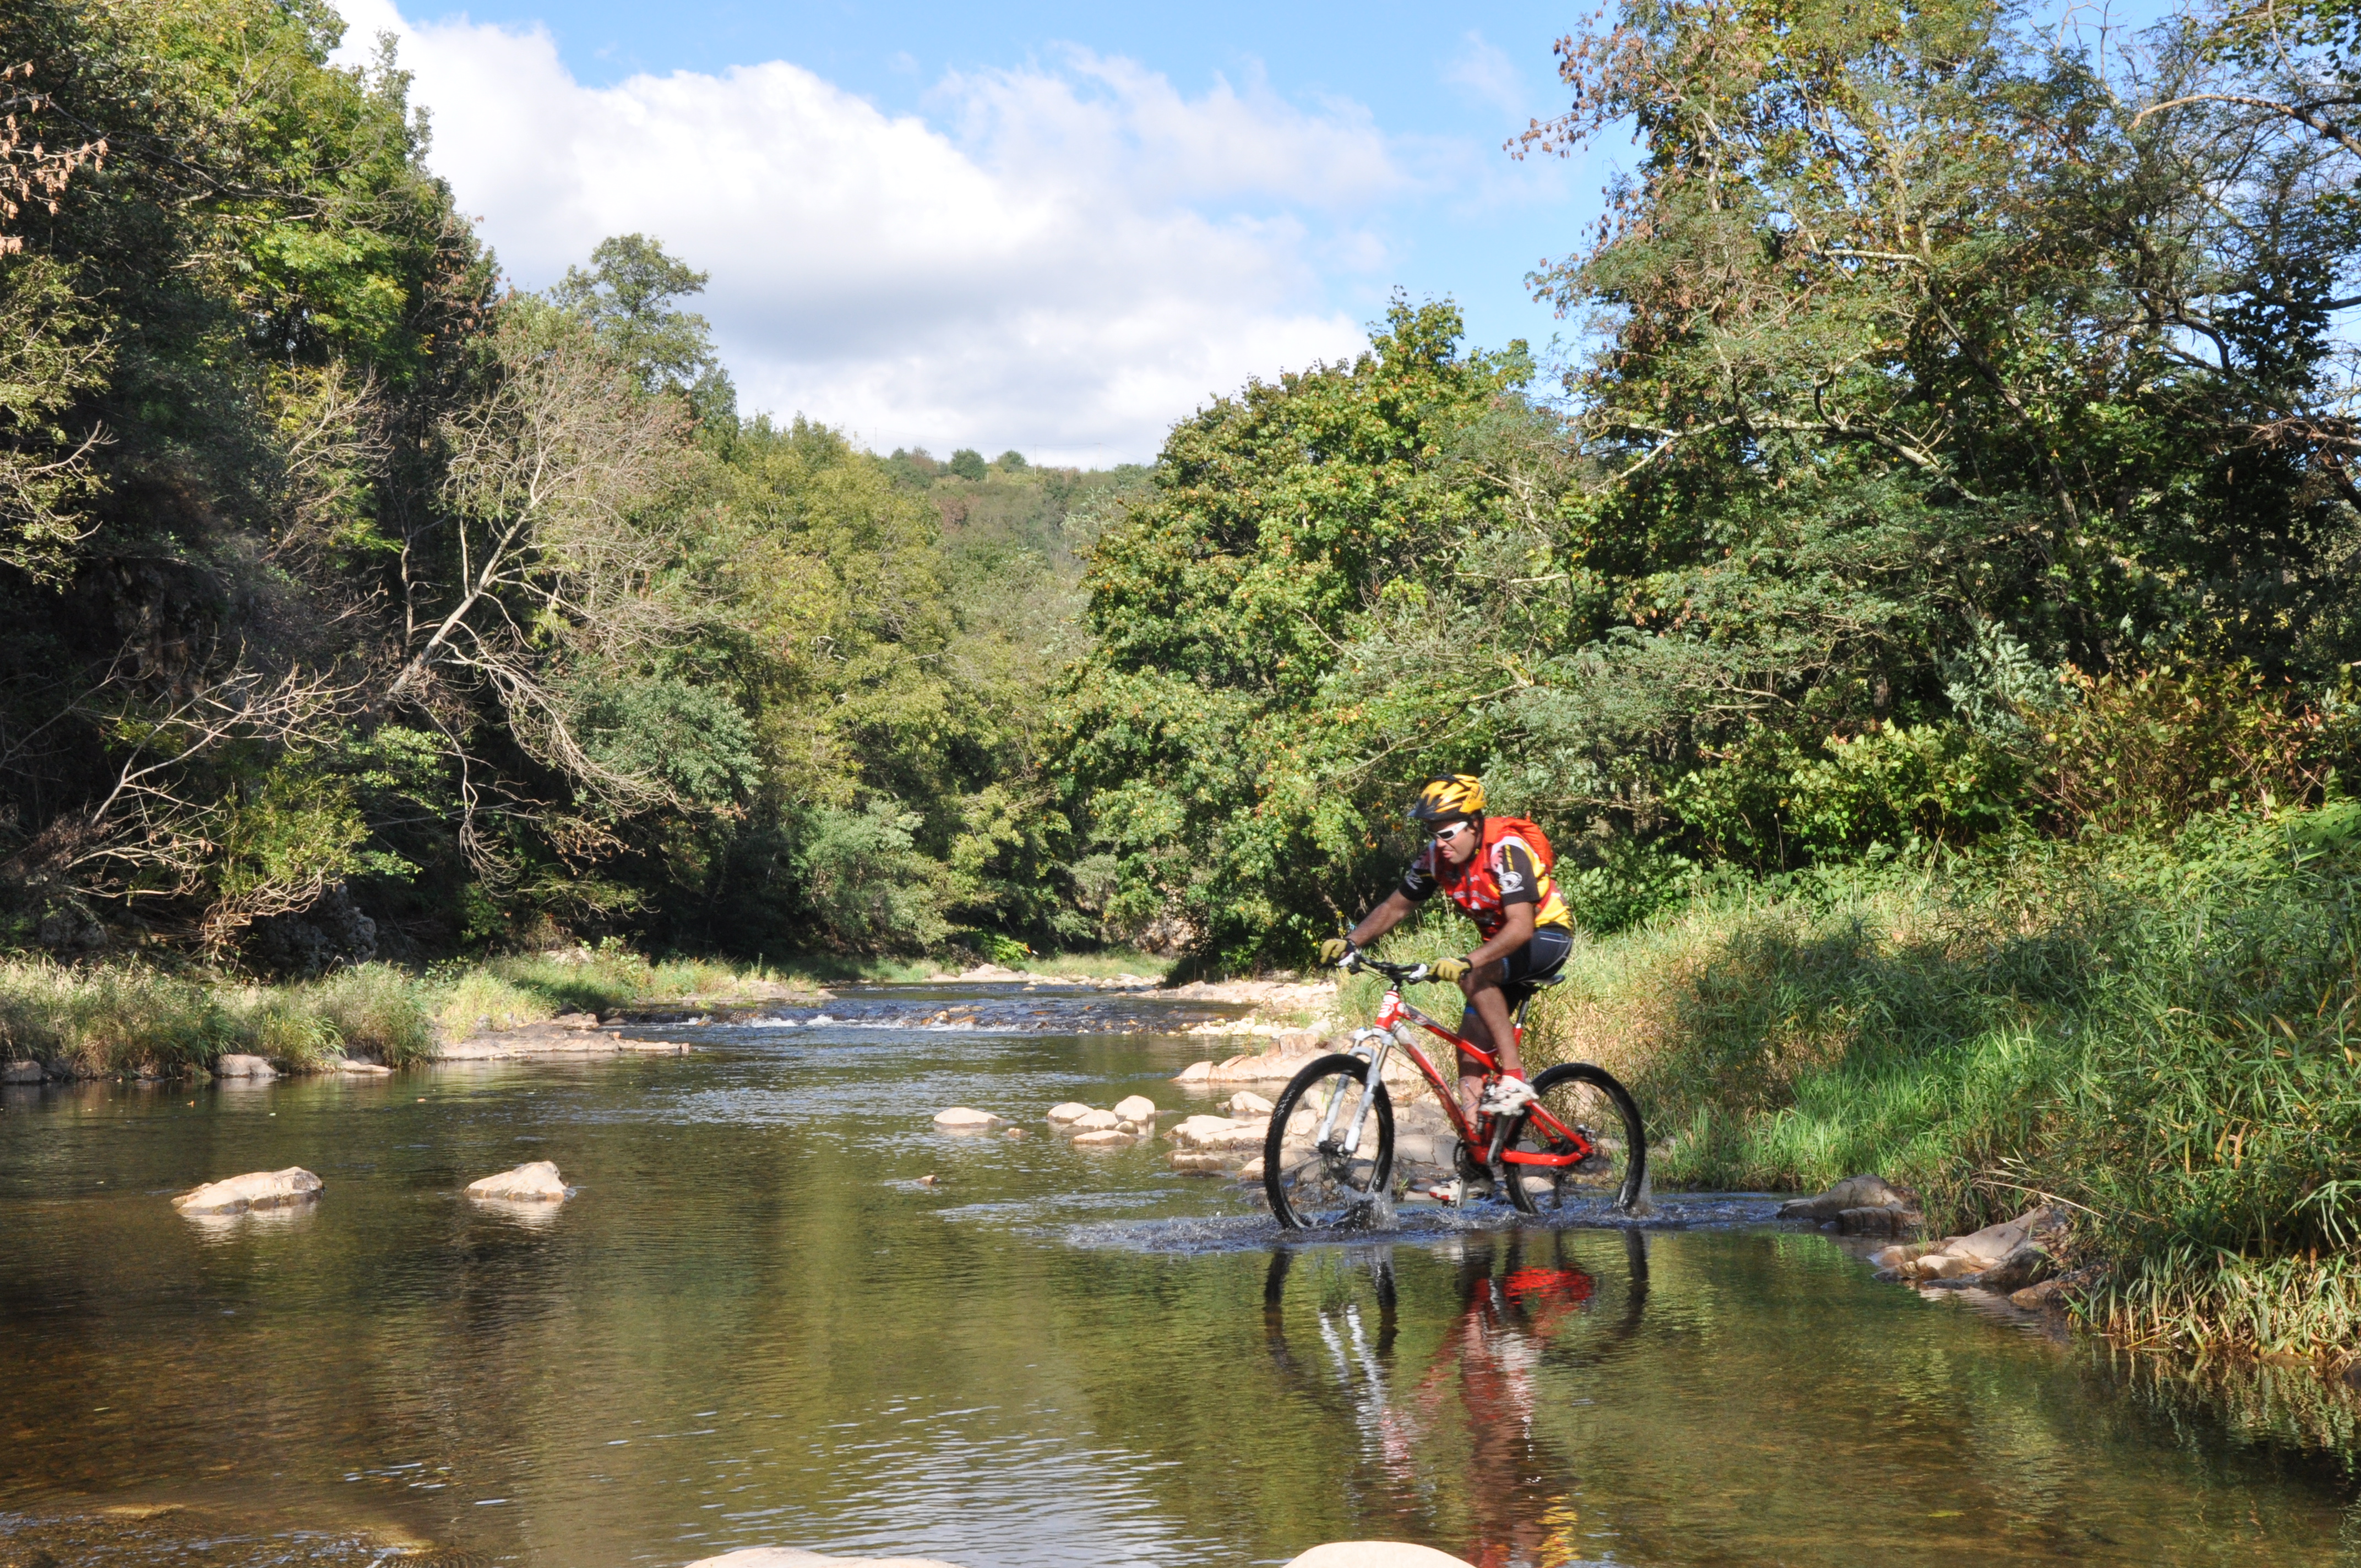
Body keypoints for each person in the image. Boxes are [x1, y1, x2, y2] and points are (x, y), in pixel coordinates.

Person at [1318, 774, 1575, 1135]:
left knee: (1475, 975)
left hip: (1545, 938)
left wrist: (1468, 962)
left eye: (1447, 833)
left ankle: (1515, 1077)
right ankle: (1478, 1155)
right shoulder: (1437, 858)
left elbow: (1520, 927)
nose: (1439, 843)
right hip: (1500, 953)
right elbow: (1395, 907)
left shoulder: (1506, 851)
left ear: (1473, 824)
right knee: (1470, 1051)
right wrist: (1352, 941)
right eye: (1432, 834)